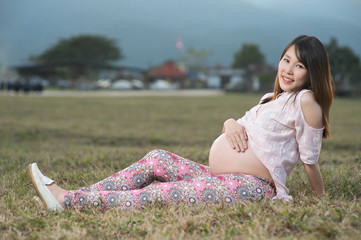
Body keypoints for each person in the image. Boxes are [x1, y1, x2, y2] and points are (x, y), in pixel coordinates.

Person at [28, 35, 334, 211]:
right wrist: (229, 123)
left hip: (250, 187)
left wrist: (320, 201)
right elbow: (244, 128)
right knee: (157, 159)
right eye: (286, 60)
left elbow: (310, 160)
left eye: (300, 65)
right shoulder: (270, 98)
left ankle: (68, 201)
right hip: (222, 176)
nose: (289, 69)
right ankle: (81, 193)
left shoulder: (306, 101)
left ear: (313, 73)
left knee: (159, 194)